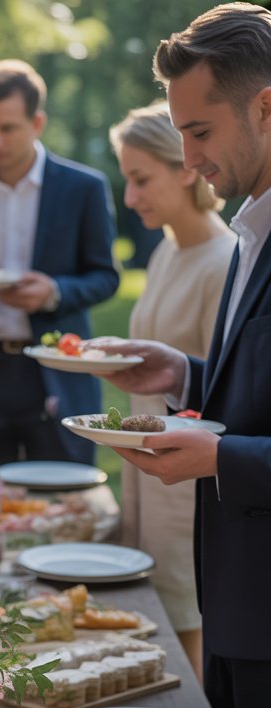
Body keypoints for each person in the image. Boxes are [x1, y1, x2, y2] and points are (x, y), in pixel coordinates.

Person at [97, 2, 271, 708]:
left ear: (266, 107)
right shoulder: (250, 231)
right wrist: (186, 370)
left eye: (200, 132)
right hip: (234, 602)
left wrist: (216, 458)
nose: (189, 156)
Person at [0, 58, 119, 465]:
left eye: (7, 128)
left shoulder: (84, 188)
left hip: (56, 369)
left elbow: (105, 276)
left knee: (64, 503)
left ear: (37, 123)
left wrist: (55, 292)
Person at [109, 101, 234, 677]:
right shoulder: (165, 250)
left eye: (141, 179)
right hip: (145, 486)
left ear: (185, 166)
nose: (131, 198)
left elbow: (227, 395)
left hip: (189, 494)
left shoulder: (223, 260)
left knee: (191, 654)